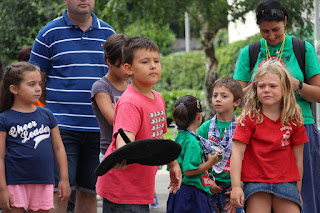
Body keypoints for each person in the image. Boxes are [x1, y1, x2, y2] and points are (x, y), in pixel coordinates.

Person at [233, 1, 320, 212]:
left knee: (306, 200)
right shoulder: (250, 51)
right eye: (265, 31)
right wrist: (258, 87)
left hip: (300, 126)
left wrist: (296, 85)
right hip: (259, 129)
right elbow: (236, 97)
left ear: (286, 22)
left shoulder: (302, 48)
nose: (271, 36)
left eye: (276, 30)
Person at [29, 0, 115, 212]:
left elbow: (118, 78)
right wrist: (50, 114)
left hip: (99, 129)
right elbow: (36, 81)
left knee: (90, 191)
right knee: (60, 191)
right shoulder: (49, 33)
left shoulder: (108, 33)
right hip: (61, 129)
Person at [95, 37, 182, 213]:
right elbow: (124, 138)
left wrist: (173, 164)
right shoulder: (130, 102)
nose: (153, 66)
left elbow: (157, 139)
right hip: (122, 190)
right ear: (129, 69)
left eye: (156, 61)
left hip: (141, 188)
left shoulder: (157, 98)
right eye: (145, 61)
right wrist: (121, 156)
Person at [230, 64, 308, 212]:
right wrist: (235, 186)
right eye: (261, 86)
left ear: (285, 89)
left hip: (287, 182)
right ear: (255, 89)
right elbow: (237, 153)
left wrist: (298, 190)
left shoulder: (295, 120)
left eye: (273, 86)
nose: (266, 90)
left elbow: (299, 159)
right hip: (255, 182)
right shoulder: (248, 119)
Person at [0, 62, 71, 212]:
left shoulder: (47, 115)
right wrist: (2, 189)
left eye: (39, 83)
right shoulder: (4, 119)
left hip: (44, 181)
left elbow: (58, 148)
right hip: (14, 183)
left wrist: (64, 179)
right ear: (14, 89)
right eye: (31, 84)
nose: (38, 88)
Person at [197, 78, 243, 213]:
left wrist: (240, 184)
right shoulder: (205, 128)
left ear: (237, 102)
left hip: (232, 187)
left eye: (224, 96)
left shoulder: (242, 126)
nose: (218, 99)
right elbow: (199, 157)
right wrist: (206, 181)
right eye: (215, 95)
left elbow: (248, 156)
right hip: (210, 185)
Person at [167, 95, 218, 213]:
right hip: (191, 195)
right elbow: (189, 171)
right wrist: (211, 162)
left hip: (178, 192)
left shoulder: (180, 136)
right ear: (199, 116)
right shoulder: (193, 142)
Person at [91, 33, 131, 162]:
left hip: (132, 151)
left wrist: (119, 110)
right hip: (111, 153)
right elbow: (114, 120)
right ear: (109, 62)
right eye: (122, 64)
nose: (128, 69)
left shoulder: (133, 85)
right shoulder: (101, 87)